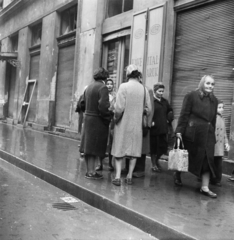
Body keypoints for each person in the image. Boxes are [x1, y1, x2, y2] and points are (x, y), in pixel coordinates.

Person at [175, 75, 218, 198]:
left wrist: (213, 135)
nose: (210, 86)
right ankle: (177, 174)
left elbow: (213, 120)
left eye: (212, 84)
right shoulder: (191, 96)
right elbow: (184, 115)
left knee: (207, 161)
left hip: (208, 136)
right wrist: (179, 132)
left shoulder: (214, 100)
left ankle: (205, 187)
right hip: (193, 135)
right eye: (208, 83)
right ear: (202, 83)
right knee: (185, 157)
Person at [111, 64, 151, 186]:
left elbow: (119, 108)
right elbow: (148, 109)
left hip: (123, 123)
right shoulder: (144, 89)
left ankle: (117, 176)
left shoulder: (123, 87)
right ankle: (129, 176)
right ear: (139, 75)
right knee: (133, 152)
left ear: (127, 74)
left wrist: (115, 118)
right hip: (137, 125)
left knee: (119, 150)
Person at [80, 67, 112, 180]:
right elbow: (103, 107)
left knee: (88, 148)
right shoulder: (102, 87)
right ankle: (92, 172)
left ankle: (89, 171)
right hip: (97, 121)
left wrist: (88, 112)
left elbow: (81, 104)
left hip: (88, 119)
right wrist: (108, 117)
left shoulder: (89, 87)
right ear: (105, 77)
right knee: (94, 148)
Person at [150, 83, 173, 173]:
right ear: (155, 91)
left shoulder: (164, 101)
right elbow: (148, 112)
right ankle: (154, 164)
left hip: (163, 128)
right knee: (154, 147)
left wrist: (169, 119)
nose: (161, 93)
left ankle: (156, 161)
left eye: (162, 91)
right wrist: (150, 121)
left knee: (162, 147)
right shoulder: (151, 101)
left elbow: (170, 110)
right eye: (159, 91)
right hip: (154, 129)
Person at [96, 78, 116, 171]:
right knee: (101, 143)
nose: (109, 86)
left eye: (111, 84)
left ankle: (110, 163)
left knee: (111, 143)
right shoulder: (102, 94)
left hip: (112, 122)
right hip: (103, 121)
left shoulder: (116, 96)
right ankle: (100, 164)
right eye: (107, 84)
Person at [210, 100, 230, 186]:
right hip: (213, 144)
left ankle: (216, 180)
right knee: (211, 163)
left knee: (218, 164)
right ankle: (212, 179)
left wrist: (226, 143)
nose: (221, 109)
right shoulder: (212, 118)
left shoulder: (222, 119)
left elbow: (224, 133)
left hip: (219, 146)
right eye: (219, 107)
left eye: (222, 107)